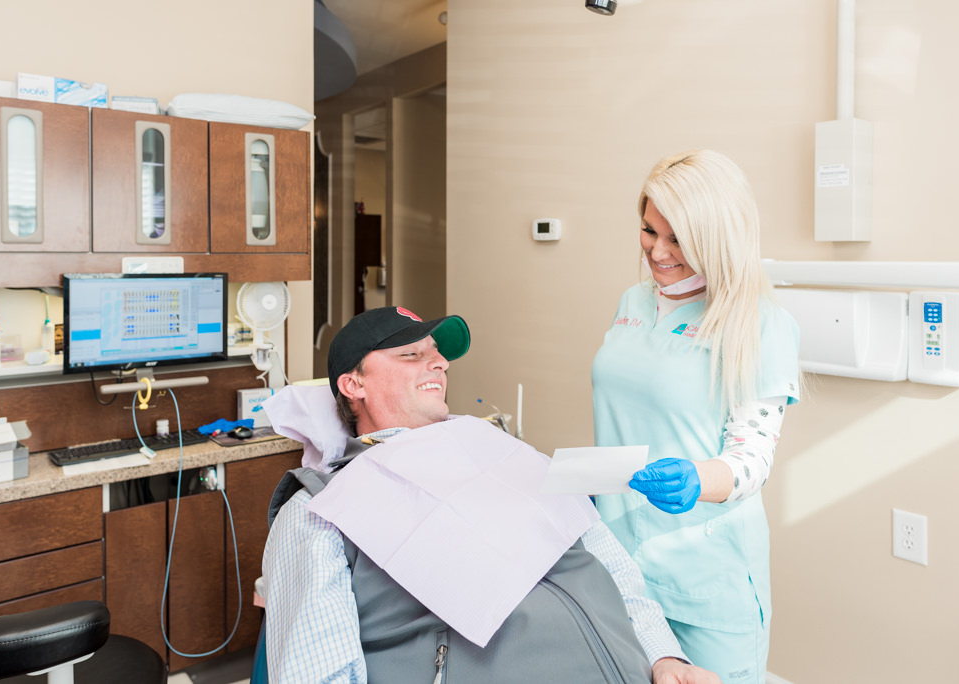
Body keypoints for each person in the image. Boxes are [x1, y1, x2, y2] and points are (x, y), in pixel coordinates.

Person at [262, 305, 721, 684]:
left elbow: (609, 568)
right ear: (353, 384)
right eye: (410, 355)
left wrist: (665, 659)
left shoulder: (511, 457)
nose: (438, 363)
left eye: (437, 354)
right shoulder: (321, 510)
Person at [591, 150, 801, 684]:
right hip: (620, 568)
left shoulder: (758, 323)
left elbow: (751, 458)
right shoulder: (632, 302)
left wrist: (696, 479)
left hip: (706, 578)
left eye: (678, 238)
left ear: (716, 236)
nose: (657, 252)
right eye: (648, 230)